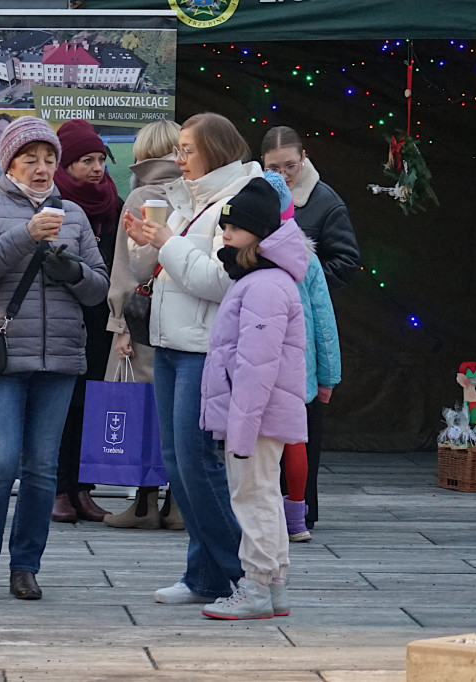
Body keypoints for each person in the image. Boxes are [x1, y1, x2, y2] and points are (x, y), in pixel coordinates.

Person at [0, 116, 109, 601]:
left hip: (59, 359)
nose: (41, 169)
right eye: (29, 160)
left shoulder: (73, 214)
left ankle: (26, 568)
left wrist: (72, 270)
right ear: (10, 162)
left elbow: (97, 290)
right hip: (1, 355)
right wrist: (28, 236)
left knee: (40, 468)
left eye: (49, 160)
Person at [122, 112, 259, 605]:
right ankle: (204, 576)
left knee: (196, 465)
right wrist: (147, 246)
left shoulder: (240, 200)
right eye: (177, 149)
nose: (177, 159)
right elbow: (173, 270)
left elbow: (221, 280)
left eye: (186, 150)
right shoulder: (190, 198)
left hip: (205, 348)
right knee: (178, 463)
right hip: (172, 343)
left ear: (216, 151)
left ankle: (244, 577)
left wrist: (167, 243)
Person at [199, 177, 309, 619]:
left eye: (235, 227)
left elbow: (255, 369)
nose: (224, 233)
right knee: (263, 493)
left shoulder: (264, 286)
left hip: (255, 419)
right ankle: (274, 585)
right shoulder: (261, 280)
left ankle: (257, 588)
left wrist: (240, 432)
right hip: (260, 416)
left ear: (259, 234)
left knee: (253, 496)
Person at [260, 125, 360, 529]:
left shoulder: (325, 202)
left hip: (303, 334)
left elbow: (347, 262)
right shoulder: (255, 195)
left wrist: (300, 280)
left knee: (303, 430)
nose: (284, 175)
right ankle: (266, 506)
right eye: (273, 167)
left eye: (290, 165)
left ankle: (304, 509)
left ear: (304, 158)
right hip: (265, 330)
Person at [101, 119, 184, 530]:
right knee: (181, 413)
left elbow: (128, 267)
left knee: (141, 413)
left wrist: (119, 326)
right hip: (188, 319)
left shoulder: (140, 197)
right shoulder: (195, 193)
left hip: (143, 320)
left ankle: (143, 504)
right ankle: (178, 505)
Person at [261, 171, 341, 543]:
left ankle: (263, 516)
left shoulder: (245, 258)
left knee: (259, 446)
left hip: (258, 370)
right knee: (296, 443)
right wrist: (328, 377)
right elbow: (324, 323)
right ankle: (297, 517)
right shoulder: (307, 260)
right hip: (300, 372)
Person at [50, 119, 122, 524]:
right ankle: (58, 489)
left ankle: (83, 489)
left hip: (103, 322)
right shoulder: (52, 205)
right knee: (62, 405)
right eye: (86, 161)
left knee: (92, 405)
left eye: (100, 160)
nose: (97, 168)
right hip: (62, 317)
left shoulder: (116, 205)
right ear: (66, 165)